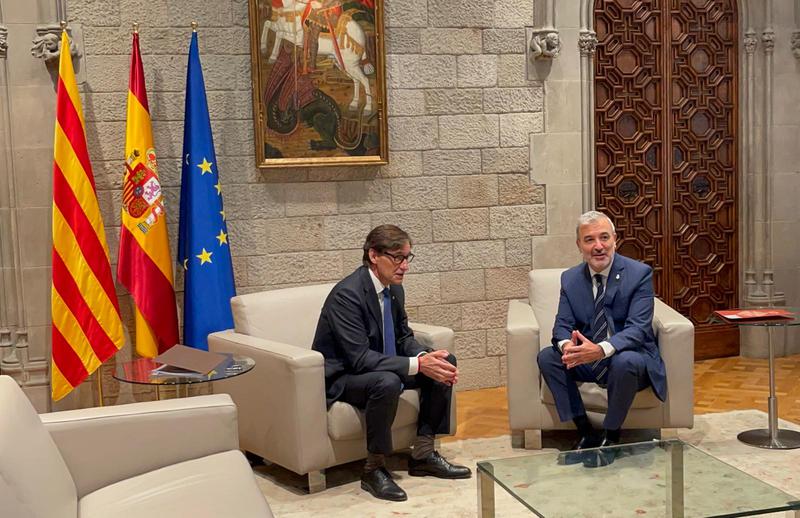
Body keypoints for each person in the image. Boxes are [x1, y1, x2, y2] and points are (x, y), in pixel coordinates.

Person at [312, 225, 471, 501]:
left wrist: (424, 358)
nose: (404, 266)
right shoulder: (347, 296)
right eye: (397, 257)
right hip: (345, 377)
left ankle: (422, 453)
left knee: (444, 361)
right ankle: (374, 469)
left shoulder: (394, 291)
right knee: (388, 381)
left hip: (380, 368)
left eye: (408, 258)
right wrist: (418, 366)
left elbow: (404, 337)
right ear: (374, 255)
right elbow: (359, 358)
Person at [537, 211, 667, 466]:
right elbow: (561, 327)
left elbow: (638, 329)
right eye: (589, 240)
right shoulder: (571, 278)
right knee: (548, 357)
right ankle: (585, 431)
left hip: (628, 360)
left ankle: (611, 435)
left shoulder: (639, 273)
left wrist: (600, 349)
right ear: (579, 245)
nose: (598, 246)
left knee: (625, 360)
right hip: (588, 360)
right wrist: (569, 349)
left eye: (604, 238)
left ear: (615, 240)